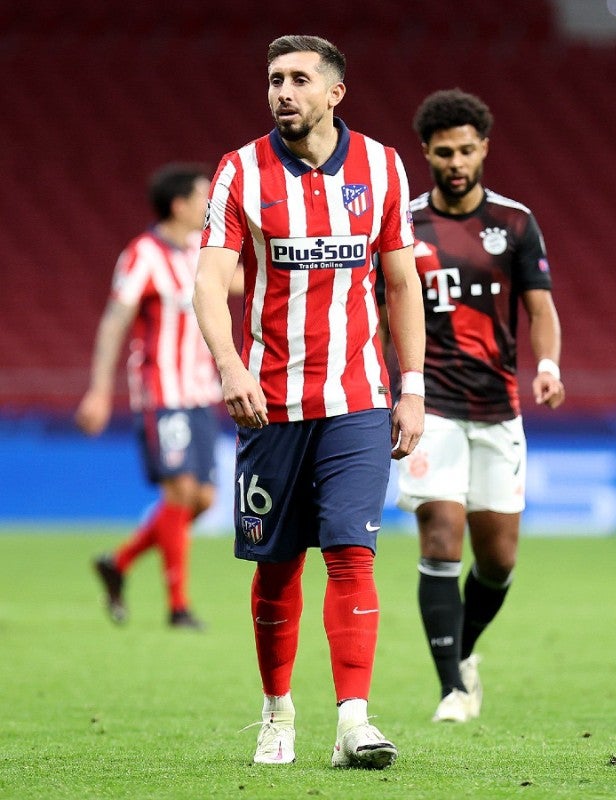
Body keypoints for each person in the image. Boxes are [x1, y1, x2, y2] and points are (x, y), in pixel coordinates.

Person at [192, 35, 425, 768]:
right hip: (269, 401)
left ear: (335, 93)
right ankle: (277, 712)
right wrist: (229, 365)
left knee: (354, 555)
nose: (282, 91)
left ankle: (354, 721)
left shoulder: (383, 167)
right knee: (278, 565)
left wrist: (411, 387)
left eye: (298, 79)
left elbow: (400, 285)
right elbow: (207, 282)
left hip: (357, 396)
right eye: (273, 79)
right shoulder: (239, 170)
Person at [381, 88, 565, 724]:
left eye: (466, 150)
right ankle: (450, 692)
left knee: (500, 558)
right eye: (443, 152)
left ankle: (463, 656)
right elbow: (381, 308)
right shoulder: (403, 224)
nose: (455, 162)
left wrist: (547, 365)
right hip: (429, 404)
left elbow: (540, 309)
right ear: (426, 153)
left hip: (498, 407)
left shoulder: (514, 222)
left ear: (483, 148)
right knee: (440, 534)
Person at [75, 163, 227, 630]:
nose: (210, 205)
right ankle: (178, 607)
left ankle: (118, 563)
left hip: (202, 393)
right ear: (180, 204)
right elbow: (115, 321)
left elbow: (237, 282)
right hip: (163, 392)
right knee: (180, 490)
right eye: (204, 197)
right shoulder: (142, 254)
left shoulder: (201, 252)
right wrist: (100, 390)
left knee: (201, 499)